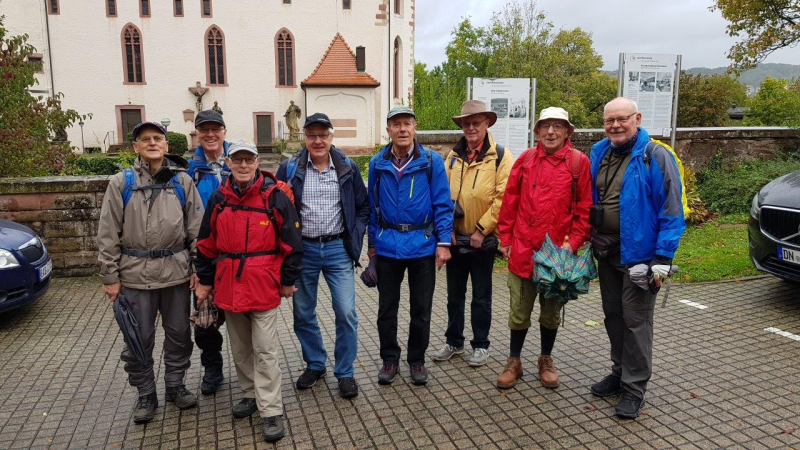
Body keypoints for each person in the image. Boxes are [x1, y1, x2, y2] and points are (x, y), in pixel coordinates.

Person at [194, 139, 303, 442]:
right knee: (241, 349)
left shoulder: (275, 197)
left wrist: (289, 279)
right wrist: (204, 280)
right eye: (237, 160)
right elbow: (206, 244)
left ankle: (270, 410)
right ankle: (249, 394)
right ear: (228, 163)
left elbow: (293, 244)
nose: (243, 165)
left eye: (248, 160)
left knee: (265, 349)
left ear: (257, 163)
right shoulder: (219, 198)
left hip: (263, 283)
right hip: (229, 284)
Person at [97, 121, 204, 424]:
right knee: (138, 338)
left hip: (177, 273)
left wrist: (198, 268)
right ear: (137, 147)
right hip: (134, 276)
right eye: (146, 139)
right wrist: (110, 276)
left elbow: (197, 229)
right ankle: (145, 392)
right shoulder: (121, 182)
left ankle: (175, 384)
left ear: (167, 145)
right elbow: (107, 233)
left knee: (180, 334)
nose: (153, 143)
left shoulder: (182, 182)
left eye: (158, 138)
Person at [589, 97, 685, 418]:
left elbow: (671, 209)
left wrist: (663, 257)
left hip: (642, 258)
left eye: (621, 119)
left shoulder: (655, 156)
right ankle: (619, 372)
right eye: (609, 120)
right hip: (607, 250)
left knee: (637, 321)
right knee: (613, 316)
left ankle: (634, 388)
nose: (615, 125)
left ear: (637, 118)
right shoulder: (599, 152)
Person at [495, 107, 592, 391]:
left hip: (557, 257)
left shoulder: (578, 163)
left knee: (551, 313)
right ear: (537, 131)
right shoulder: (524, 160)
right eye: (546, 126)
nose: (551, 132)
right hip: (524, 250)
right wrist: (506, 240)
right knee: (519, 311)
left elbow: (584, 209)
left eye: (557, 126)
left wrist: (572, 244)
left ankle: (546, 359)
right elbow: (510, 201)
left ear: (567, 132)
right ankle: (514, 360)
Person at [276, 113, 369, 399]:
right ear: (305, 137)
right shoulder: (289, 168)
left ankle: (345, 372)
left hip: (337, 249)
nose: (317, 140)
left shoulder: (348, 168)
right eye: (311, 135)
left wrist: (355, 236)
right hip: (303, 250)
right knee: (303, 313)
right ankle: (316, 364)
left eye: (323, 135)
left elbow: (363, 208)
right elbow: (277, 208)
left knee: (346, 312)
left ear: (331, 137)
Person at [368, 106, 453, 386]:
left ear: (415, 128)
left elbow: (442, 204)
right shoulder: (377, 163)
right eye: (396, 125)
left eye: (407, 124)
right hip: (388, 246)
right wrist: (372, 246)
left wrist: (443, 243)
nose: (402, 129)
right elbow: (372, 207)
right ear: (388, 130)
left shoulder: (431, 161)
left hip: (423, 245)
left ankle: (417, 359)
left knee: (421, 309)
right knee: (386, 309)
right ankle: (389, 359)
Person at [432, 100, 512, 367]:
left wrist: (481, 229)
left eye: (476, 122)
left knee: (481, 295)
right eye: (466, 123)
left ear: (486, 123)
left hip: (482, 241)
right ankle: (454, 342)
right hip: (454, 239)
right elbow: (442, 195)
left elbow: (503, 198)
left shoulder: (500, 155)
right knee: (454, 295)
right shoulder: (453, 157)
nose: (471, 127)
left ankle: (480, 345)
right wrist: (446, 231)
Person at [185, 109, 230, 395]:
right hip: (204, 260)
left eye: (216, 129)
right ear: (197, 133)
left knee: (244, 321)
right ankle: (212, 368)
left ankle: (250, 372)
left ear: (224, 131)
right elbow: (182, 219)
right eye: (205, 130)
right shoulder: (189, 172)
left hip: (238, 259)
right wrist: (192, 267)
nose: (210, 134)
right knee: (205, 323)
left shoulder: (239, 162)